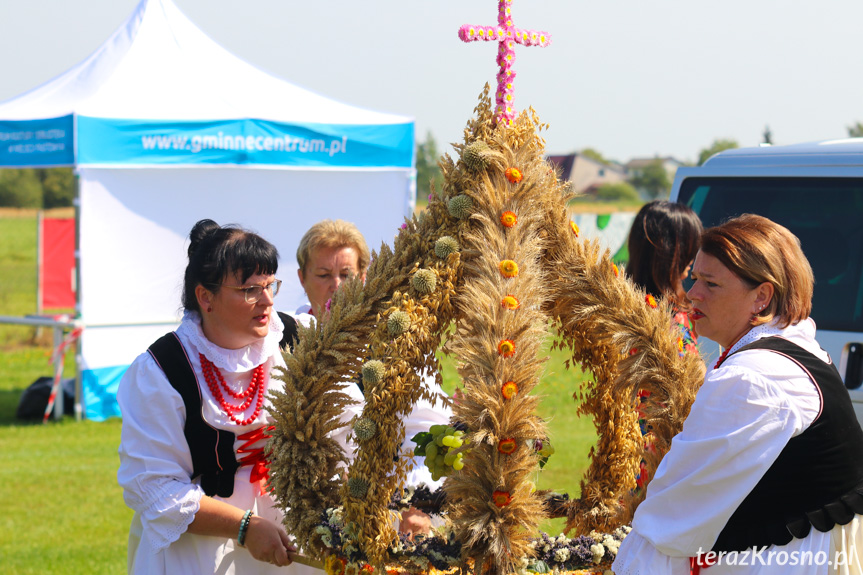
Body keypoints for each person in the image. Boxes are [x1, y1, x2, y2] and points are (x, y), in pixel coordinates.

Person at [613, 214, 863, 575]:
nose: (692, 293)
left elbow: (678, 510)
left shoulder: (753, 379)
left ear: (761, 296)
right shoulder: (789, 350)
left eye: (711, 284)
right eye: (694, 277)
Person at [117, 219, 319, 574]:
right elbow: (155, 490)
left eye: (271, 284)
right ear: (205, 297)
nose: (268, 300)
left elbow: (348, 428)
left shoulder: (298, 338)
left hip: (294, 535)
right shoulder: (162, 371)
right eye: (249, 290)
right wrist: (245, 526)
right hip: (200, 550)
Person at [294, 219, 452, 537]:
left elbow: (430, 433)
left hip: (386, 519)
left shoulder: (395, 342)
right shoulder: (286, 339)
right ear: (302, 278)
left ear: (364, 278)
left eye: (346, 275)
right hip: (298, 525)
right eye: (323, 275)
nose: (335, 287)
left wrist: (417, 502)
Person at [627, 199, 703, 356]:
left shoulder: (620, 308)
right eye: (689, 249)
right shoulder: (668, 318)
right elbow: (693, 373)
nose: (693, 258)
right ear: (668, 253)